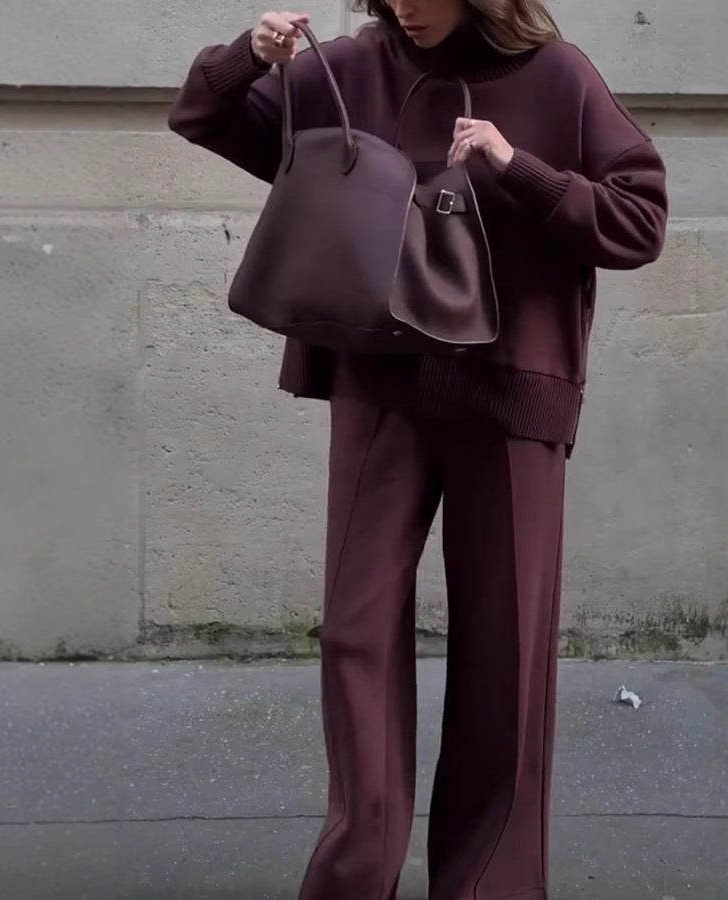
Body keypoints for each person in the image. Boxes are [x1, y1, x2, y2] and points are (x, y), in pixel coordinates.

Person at [168, 0, 668, 896]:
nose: (405, 4)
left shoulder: (558, 78)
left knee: (506, 655)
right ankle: (357, 872)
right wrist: (249, 55)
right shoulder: (351, 69)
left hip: (511, 392)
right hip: (379, 384)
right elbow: (205, 115)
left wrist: (519, 169)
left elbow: (640, 221)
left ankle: (489, 885)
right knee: (354, 633)